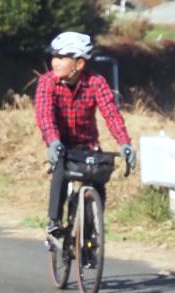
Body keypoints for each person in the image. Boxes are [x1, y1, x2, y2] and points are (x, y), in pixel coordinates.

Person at [35, 30, 133, 244]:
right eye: (54, 57)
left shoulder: (96, 82)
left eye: (62, 57)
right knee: (60, 169)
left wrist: (124, 142)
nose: (55, 62)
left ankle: (90, 237)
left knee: (97, 182)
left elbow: (111, 113)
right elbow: (44, 115)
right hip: (60, 142)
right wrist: (52, 140)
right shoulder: (47, 82)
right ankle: (54, 224)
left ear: (79, 64)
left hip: (87, 144)